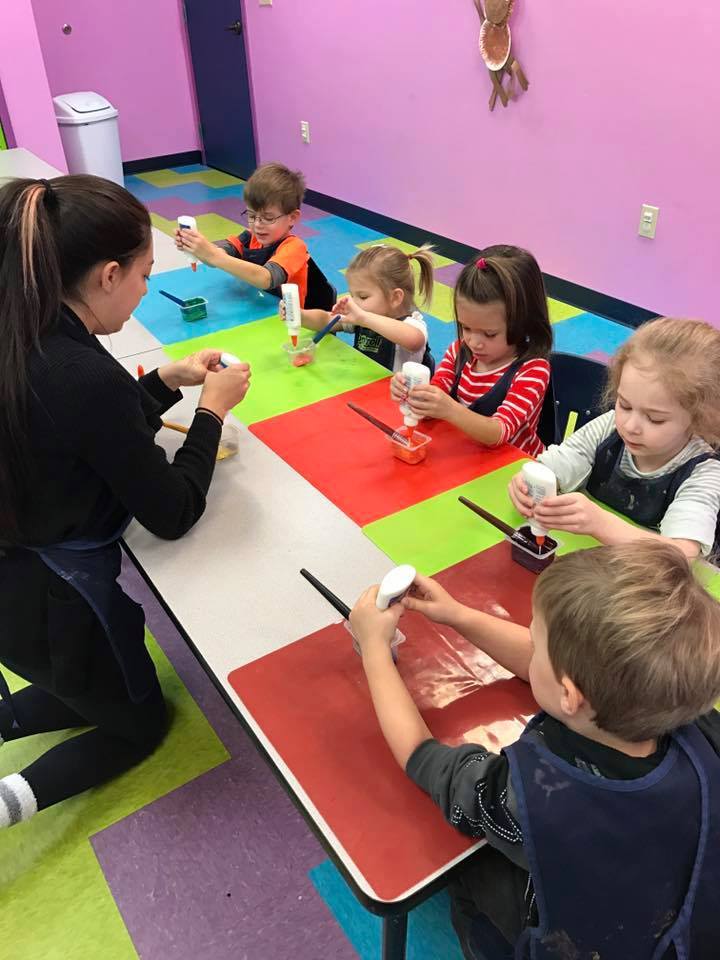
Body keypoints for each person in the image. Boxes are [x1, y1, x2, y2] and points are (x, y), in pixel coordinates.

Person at [0, 175, 250, 827]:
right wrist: (212, 413)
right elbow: (171, 511)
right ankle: (8, 802)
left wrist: (165, 381)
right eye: (143, 276)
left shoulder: (26, 331)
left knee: (94, 681)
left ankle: (9, 715)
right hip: (48, 595)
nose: (144, 290)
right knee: (141, 719)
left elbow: (91, 434)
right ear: (108, 275)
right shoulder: (82, 375)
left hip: (17, 578)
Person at [349, 542, 720, 958]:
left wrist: (375, 650)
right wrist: (454, 613)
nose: (530, 645)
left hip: (589, 943)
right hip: (680, 924)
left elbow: (423, 756)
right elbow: (550, 671)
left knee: (472, 868)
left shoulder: (525, 796)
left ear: (570, 694)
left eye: (536, 639)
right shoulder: (694, 723)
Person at [508, 317, 720, 558]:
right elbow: (556, 465)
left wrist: (600, 524)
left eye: (655, 419)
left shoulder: (703, 472)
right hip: (583, 563)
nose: (630, 426)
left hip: (640, 586)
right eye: (625, 405)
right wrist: (530, 485)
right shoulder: (609, 426)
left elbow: (682, 555)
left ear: (698, 418)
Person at [390, 246, 552, 457]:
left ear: (523, 322)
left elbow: (498, 433)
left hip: (513, 469)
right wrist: (415, 396)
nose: (474, 343)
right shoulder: (459, 353)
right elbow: (434, 402)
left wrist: (448, 409)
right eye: (466, 328)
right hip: (469, 458)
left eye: (490, 334)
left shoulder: (533, 370)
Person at [174, 161, 335, 308]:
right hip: (266, 313)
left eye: (268, 218)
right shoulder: (251, 237)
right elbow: (220, 253)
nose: (257, 224)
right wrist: (197, 247)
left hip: (300, 323)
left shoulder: (295, 248)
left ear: (292, 217)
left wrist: (213, 255)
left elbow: (265, 278)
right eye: (251, 216)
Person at [296, 243, 435, 372]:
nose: (354, 302)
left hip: (396, 397)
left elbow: (415, 341)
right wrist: (299, 316)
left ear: (395, 297)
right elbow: (326, 320)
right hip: (364, 390)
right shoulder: (361, 315)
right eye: (352, 295)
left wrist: (363, 318)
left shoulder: (411, 324)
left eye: (363, 297)